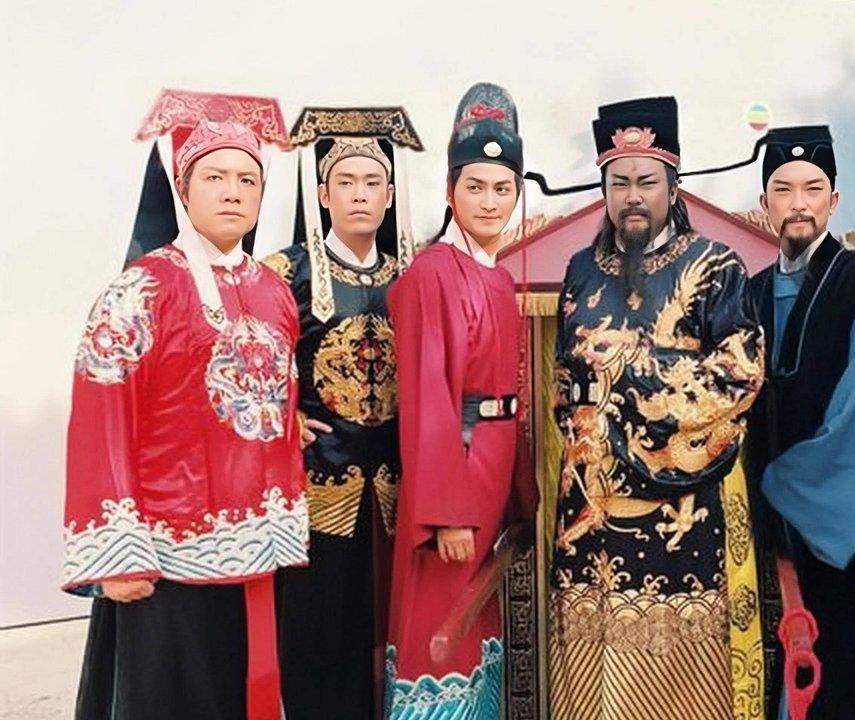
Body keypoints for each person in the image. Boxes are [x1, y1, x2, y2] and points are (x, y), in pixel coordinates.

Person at [65, 104, 306, 720]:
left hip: (256, 547)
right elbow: (101, 420)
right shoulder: (140, 290)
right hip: (163, 551)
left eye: (247, 179)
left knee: (242, 694)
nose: (232, 192)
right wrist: (117, 554)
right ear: (183, 187)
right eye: (215, 177)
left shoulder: (275, 292)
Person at [548, 95, 765, 720]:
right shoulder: (581, 268)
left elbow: (741, 371)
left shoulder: (714, 265)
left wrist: (631, 380)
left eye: (646, 181)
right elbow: (565, 376)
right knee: (590, 663)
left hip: (678, 499)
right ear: (605, 191)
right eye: (619, 183)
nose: (633, 196)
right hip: (587, 496)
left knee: (672, 674)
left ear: (673, 186)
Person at [264, 105, 422, 720]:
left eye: (372, 182)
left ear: (390, 195)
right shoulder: (285, 274)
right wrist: (280, 418)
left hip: (398, 489)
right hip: (319, 487)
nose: (360, 194)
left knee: (389, 636)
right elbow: (243, 363)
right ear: (323, 194)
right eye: (346, 182)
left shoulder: (413, 271)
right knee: (318, 636)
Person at [385, 82, 536, 719]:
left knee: (475, 628)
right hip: (456, 472)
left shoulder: (496, 276)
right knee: (439, 629)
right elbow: (429, 400)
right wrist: (444, 514)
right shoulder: (433, 274)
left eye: (503, 188)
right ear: (450, 190)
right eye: (475, 187)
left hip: (490, 474)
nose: (490, 202)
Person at [738, 125, 855, 719]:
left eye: (812, 189)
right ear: (764, 204)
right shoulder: (745, 294)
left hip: (832, 526)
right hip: (754, 524)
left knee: (839, 673)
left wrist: (781, 486)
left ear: (835, 200)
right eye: (783, 190)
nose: (798, 204)